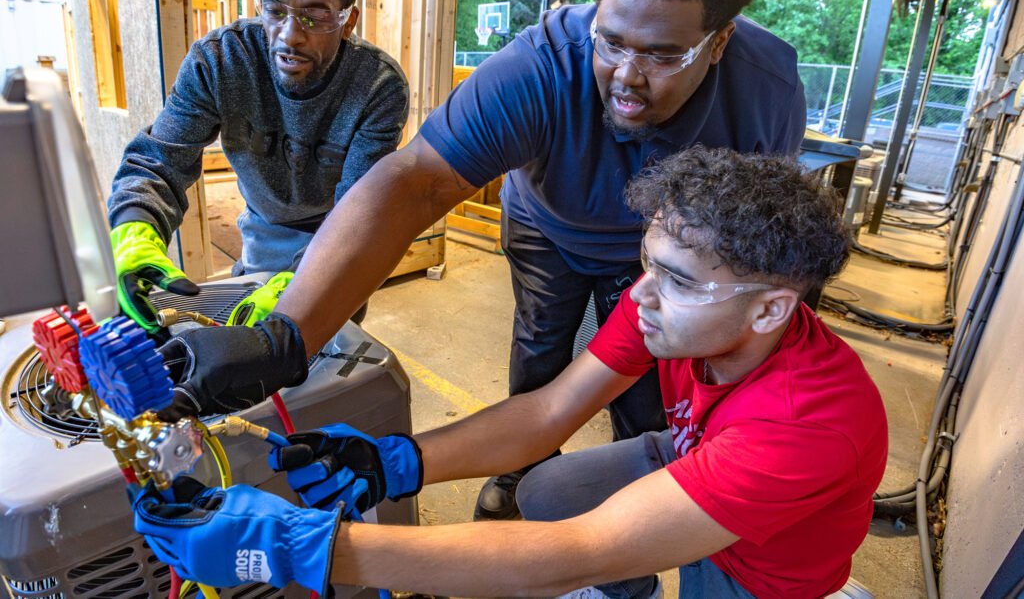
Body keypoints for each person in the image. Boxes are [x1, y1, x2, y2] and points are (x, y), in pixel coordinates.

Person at [155, 0, 807, 520]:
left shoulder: (766, 93)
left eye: (662, 56)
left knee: (649, 394)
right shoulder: (544, 67)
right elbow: (412, 184)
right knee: (542, 351)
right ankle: (522, 473)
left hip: (662, 254)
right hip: (547, 226)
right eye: (610, 42)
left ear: (719, 40)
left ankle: (639, 500)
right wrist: (285, 340)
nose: (625, 77)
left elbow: (748, 251)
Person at [132, 147, 888, 599]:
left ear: (769, 311)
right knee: (548, 488)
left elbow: (576, 551)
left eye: (680, 279)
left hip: (762, 567)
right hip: (700, 454)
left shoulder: (804, 426)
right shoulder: (671, 308)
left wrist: (312, 547)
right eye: (648, 264)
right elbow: (548, 412)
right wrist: (400, 461)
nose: (642, 293)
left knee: (584, 543)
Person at [106, 0, 409, 340]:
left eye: (314, 16)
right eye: (275, 10)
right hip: (261, 231)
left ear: (347, 20)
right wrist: (134, 230)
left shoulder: (377, 86)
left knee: (321, 364)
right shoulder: (220, 60)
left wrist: (303, 288)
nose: (290, 35)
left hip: (337, 241)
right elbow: (160, 161)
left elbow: (357, 212)